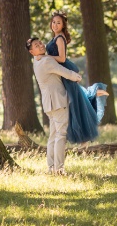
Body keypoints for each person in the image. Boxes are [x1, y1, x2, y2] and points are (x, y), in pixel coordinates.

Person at [46, 12, 109, 143]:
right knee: (75, 97)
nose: (55, 25)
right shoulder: (56, 37)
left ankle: (82, 134)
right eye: (53, 22)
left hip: (64, 70)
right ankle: (95, 93)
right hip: (61, 70)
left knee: (74, 101)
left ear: (63, 25)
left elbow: (62, 58)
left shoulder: (59, 38)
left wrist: (46, 58)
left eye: (58, 23)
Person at [27, 37, 82, 174]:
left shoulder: (37, 62)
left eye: (40, 42)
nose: (40, 45)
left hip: (49, 104)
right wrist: (78, 77)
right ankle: (59, 169)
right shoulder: (47, 61)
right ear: (32, 52)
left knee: (53, 136)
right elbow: (65, 73)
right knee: (61, 135)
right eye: (36, 45)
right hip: (58, 102)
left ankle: (51, 167)